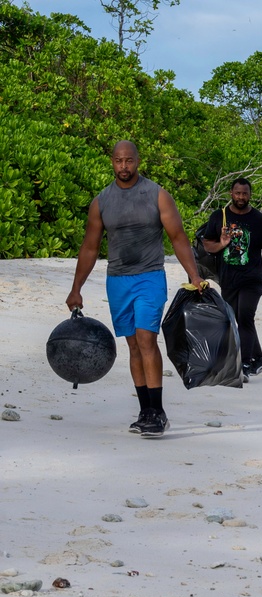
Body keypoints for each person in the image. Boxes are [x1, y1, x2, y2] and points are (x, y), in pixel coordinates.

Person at [65, 140, 202, 438]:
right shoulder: (102, 201)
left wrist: (194, 275)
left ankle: (159, 412)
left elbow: (178, 237)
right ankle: (145, 411)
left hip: (149, 277)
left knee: (146, 339)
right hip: (117, 280)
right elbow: (89, 248)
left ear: (138, 161)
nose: (124, 166)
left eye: (129, 160)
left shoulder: (157, 195)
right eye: (118, 160)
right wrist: (76, 288)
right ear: (112, 162)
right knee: (133, 345)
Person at [202, 178, 262, 382]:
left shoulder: (260, 221)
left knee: (245, 317)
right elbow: (207, 245)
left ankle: (245, 364)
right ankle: (257, 360)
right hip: (228, 279)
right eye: (237, 193)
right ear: (231, 193)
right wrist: (221, 244)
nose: (241, 197)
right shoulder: (218, 217)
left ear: (250, 195)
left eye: (245, 193)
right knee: (234, 319)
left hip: (252, 279)